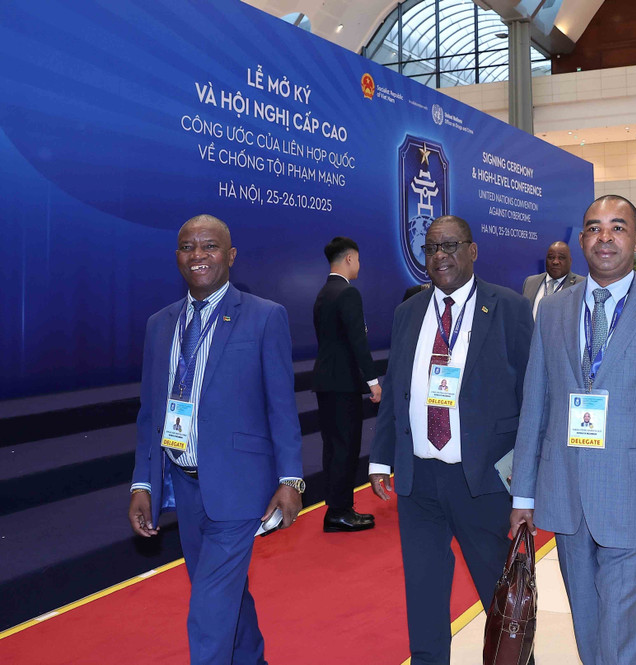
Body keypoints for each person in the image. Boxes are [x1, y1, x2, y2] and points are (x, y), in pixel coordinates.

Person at [510, 194, 636, 665]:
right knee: (590, 632)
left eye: (618, 227)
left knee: (626, 636)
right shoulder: (554, 312)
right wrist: (523, 496)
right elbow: (534, 404)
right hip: (566, 498)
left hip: (634, 501)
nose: (605, 236)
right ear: (582, 240)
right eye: (594, 227)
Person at [128, 214, 304, 665]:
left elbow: (281, 407)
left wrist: (292, 480)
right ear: (177, 257)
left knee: (208, 609)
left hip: (240, 486)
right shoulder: (158, 325)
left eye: (209, 246)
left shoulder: (265, 317)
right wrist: (142, 484)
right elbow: (151, 413)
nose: (198, 255)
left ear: (231, 256)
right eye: (189, 247)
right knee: (226, 594)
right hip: (183, 486)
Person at [369, 215, 534, 665]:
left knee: (500, 595)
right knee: (422, 590)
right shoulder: (409, 312)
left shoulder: (508, 308)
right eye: (430, 249)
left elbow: (533, 398)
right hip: (419, 479)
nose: (439, 257)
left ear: (473, 250)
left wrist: (528, 481)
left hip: (481, 479)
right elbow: (397, 386)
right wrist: (381, 458)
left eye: (449, 246)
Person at [312, 236, 381, 532]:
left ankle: (336, 507)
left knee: (333, 447)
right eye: (358, 260)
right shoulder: (348, 293)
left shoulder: (324, 292)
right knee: (346, 447)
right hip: (343, 385)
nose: (359, 266)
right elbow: (358, 342)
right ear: (350, 259)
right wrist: (373, 382)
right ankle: (340, 512)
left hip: (326, 382)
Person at [521, 241, 583, 318]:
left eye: (561, 258)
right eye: (551, 257)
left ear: (570, 261)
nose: (555, 262)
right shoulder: (530, 282)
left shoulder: (581, 284)